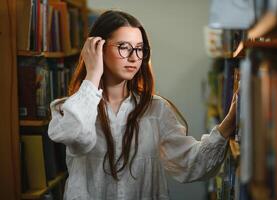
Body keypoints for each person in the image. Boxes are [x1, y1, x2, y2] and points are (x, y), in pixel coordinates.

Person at [48, 10, 237, 200]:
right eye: (123, 47)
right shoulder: (69, 108)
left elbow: (192, 164)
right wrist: (93, 74)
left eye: (139, 48)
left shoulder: (155, 109)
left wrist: (229, 122)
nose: (133, 57)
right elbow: (75, 135)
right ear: (98, 49)